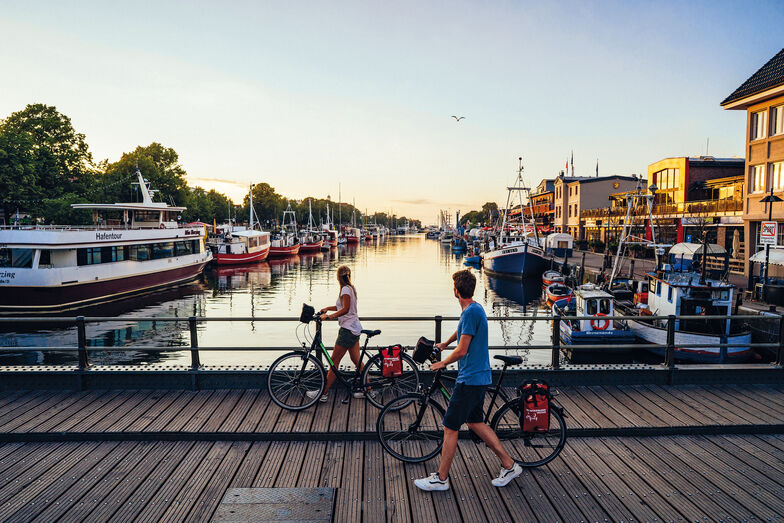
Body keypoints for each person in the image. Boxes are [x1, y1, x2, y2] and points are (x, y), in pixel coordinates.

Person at [414, 269, 522, 492]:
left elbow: (462, 350)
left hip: (470, 379)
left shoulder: (471, 313)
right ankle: (509, 465)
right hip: (477, 377)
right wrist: (445, 343)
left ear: (456, 291)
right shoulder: (473, 309)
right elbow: (462, 330)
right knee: (475, 423)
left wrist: (442, 363)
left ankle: (441, 478)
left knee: (450, 427)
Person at [307, 265, 366, 402]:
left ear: (338, 277)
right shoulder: (351, 288)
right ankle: (367, 390)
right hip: (354, 328)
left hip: (347, 331)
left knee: (334, 362)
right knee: (357, 361)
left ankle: (323, 394)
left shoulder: (345, 289)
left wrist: (329, 316)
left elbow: (345, 309)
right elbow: (344, 305)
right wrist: (328, 308)